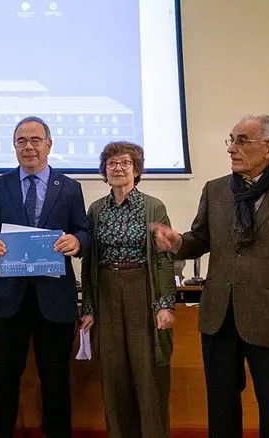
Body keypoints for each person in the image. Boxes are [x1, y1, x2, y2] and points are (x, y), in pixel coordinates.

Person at [152, 114, 269, 438]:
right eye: (231, 139)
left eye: (242, 141)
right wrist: (178, 243)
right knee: (220, 409)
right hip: (219, 318)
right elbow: (200, 239)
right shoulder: (215, 190)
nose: (232, 148)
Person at [0, 116, 90, 438]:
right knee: (4, 379)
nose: (28, 147)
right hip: (8, 300)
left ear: (49, 145)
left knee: (55, 380)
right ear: (14, 146)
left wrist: (78, 241)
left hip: (54, 301)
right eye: (21, 141)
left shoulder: (70, 188)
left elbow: (83, 230)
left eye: (35, 140)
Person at [80, 141, 175, 438]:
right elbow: (89, 261)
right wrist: (89, 309)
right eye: (111, 164)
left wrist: (165, 304)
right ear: (104, 171)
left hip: (142, 293)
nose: (118, 168)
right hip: (107, 292)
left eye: (125, 163)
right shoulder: (96, 210)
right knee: (114, 374)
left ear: (136, 169)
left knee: (148, 373)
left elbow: (163, 258)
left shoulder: (153, 206)